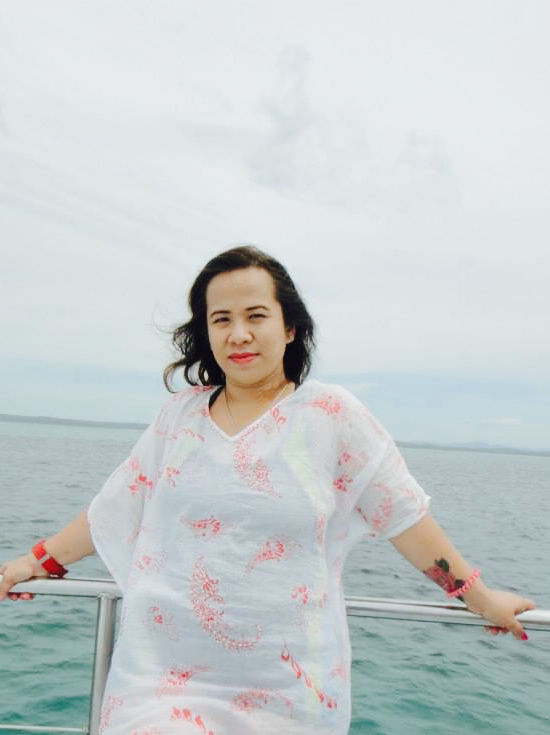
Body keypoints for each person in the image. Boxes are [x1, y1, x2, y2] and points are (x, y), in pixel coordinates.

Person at [0, 245, 536, 735]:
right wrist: (37, 561)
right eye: (222, 319)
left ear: (290, 328)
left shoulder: (331, 416)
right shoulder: (179, 418)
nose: (239, 334)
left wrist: (481, 599)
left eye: (256, 316)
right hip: (161, 680)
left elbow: (405, 519)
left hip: (287, 690)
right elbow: (117, 506)